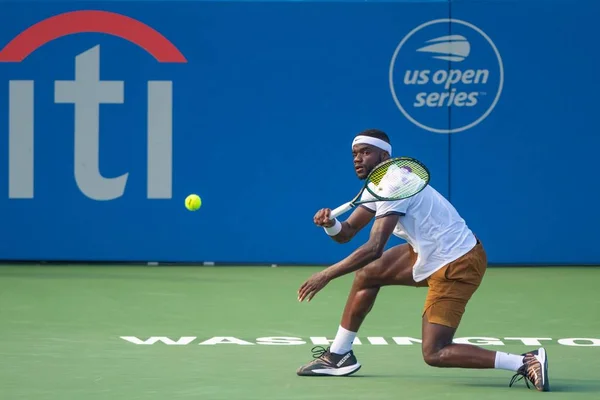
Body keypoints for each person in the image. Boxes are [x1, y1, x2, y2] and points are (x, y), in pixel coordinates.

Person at [296, 129, 549, 392]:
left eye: (365, 152)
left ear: (384, 155)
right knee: (367, 275)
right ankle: (339, 356)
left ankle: (524, 361)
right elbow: (346, 232)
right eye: (354, 154)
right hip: (430, 251)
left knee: (435, 352)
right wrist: (331, 224)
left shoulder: (395, 184)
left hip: (456, 262)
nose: (357, 159)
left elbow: (374, 248)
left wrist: (325, 275)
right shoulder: (378, 185)